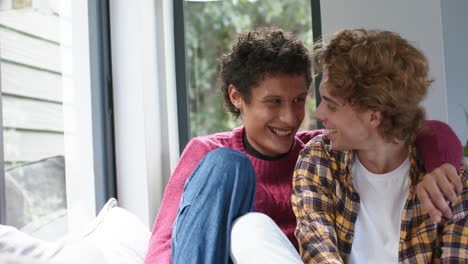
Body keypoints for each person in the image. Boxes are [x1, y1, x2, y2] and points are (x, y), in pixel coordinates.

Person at [144, 27, 463, 264]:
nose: (290, 116)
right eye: (273, 102)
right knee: (231, 177)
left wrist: (442, 166)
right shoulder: (208, 152)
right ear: (236, 97)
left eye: (299, 100)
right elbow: (164, 242)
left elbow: (426, 130)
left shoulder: (319, 151)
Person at [291, 29, 467, 263]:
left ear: (373, 116)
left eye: (331, 105)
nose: (319, 113)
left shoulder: (449, 182)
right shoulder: (319, 159)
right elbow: (317, 247)